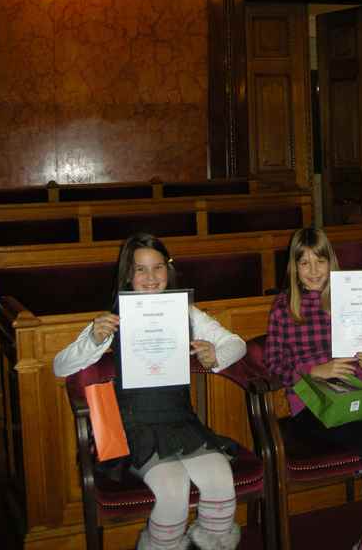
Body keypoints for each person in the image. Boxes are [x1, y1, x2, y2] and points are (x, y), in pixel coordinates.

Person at [53, 232, 246, 550]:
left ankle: (214, 544)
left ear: (168, 270)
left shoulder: (185, 312)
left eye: (158, 267)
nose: (151, 277)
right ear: (128, 274)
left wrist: (216, 357)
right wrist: (93, 340)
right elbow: (60, 366)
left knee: (220, 477)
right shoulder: (114, 318)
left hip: (179, 421)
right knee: (172, 488)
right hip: (134, 425)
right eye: (141, 269)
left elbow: (236, 344)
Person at [264, 227, 362, 550]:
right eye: (304, 263)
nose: (313, 271)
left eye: (320, 261)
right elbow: (272, 365)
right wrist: (314, 370)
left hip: (352, 395)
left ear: (331, 262)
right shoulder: (284, 307)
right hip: (310, 405)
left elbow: (361, 359)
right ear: (294, 267)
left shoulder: (348, 299)